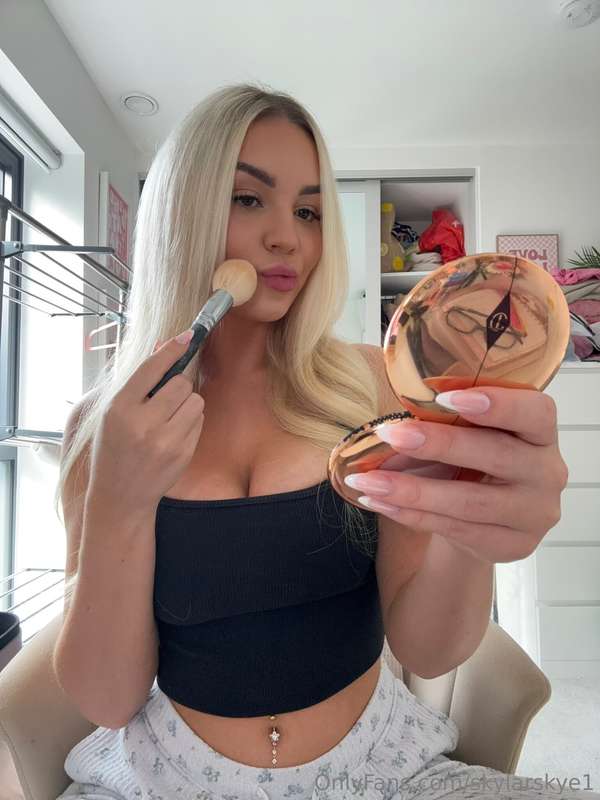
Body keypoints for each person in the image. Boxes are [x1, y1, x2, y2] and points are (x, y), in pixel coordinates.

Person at [52, 84, 598, 800]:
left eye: (308, 211)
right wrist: (117, 503)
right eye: (248, 199)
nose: (289, 238)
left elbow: (428, 649)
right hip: (165, 777)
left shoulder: (374, 385)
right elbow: (106, 699)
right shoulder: (108, 426)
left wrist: (469, 528)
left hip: (385, 769)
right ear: (181, 214)